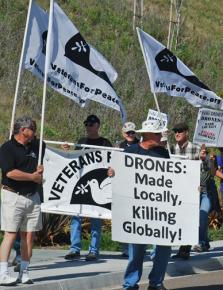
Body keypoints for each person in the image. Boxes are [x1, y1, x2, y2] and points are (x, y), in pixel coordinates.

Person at [108, 119, 171, 290]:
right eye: (158, 133)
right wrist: (113, 172)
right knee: (136, 250)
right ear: (148, 135)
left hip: (159, 210)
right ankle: (130, 284)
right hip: (137, 211)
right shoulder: (131, 151)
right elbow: (120, 173)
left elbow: (171, 179)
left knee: (164, 247)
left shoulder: (163, 153)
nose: (161, 136)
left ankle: (156, 282)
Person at [0, 116, 43, 286]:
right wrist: (32, 177)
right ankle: (2, 273)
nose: (35, 131)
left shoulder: (37, 146)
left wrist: (40, 170)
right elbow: (9, 172)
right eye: (32, 128)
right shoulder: (7, 148)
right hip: (13, 196)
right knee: (10, 234)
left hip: (33, 197)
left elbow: (42, 165)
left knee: (29, 235)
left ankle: (24, 272)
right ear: (22, 130)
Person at [64, 115, 112, 262]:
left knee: (96, 218)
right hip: (81, 185)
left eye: (91, 124)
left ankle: (93, 249)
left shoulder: (105, 142)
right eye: (86, 124)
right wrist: (67, 151)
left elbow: (111, 161)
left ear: (97, 125)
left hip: (97, 185)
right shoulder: (81, 142)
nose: (88, 127)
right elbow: (74, 160)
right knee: (76, 217)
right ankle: (75, 248)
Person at [117, 122, 139, 257]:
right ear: (123, 133)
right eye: (127, 133)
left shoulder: (141, 144)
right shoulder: (119, 147)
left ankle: (136, 248)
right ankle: (125, 248)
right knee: (124, 217)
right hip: (124, 186)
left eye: (132, 132)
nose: (130, 135)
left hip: (138, 185)